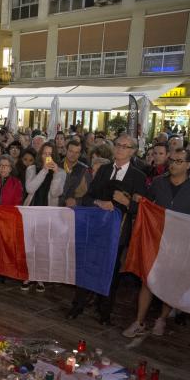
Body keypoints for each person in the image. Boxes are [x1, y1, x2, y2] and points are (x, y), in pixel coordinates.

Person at [122, 148, 190, 338]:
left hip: (184, 242)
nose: (173, 164)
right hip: (158, 239)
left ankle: (162, 319)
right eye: (171, 160)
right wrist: (137, 199)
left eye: (179, 161)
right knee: (148, 280)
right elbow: (146, 203)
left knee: (172, 282)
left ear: (189, 164)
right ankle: (139, 321)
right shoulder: (158, 183)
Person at [68, 134, 147, 324]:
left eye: (125, 146)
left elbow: (142, 209)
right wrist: (98, 202)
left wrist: (126, 202)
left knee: (110, 272)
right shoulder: (103, 170)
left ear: (133, 151)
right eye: (118, 145)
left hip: (118, 233)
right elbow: (87, 198)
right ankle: (78, 305)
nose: (120, 149)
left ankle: (104, 312)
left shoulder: (139, 176)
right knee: (87, 266)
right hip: (96, 228)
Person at [24, 142, 65, 206]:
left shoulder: (61, 172)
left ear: (54, 156)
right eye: (44, 153)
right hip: (32, 206)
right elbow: (29, 189)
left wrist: (56, 173)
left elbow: (55, 193)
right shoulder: (31, 169)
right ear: (40, 155)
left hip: (50, 210)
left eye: (50, 154)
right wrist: (44, 170)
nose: (47, 156)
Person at [59, 141, 91, 207]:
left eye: (76, 152)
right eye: (71, 151)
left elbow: (89, 194)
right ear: (66, 151)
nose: (73, 155)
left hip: (74, 209)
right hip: (55, 207)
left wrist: (76, 201)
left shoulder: (84, 170)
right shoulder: (57, 166)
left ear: (79, 154)